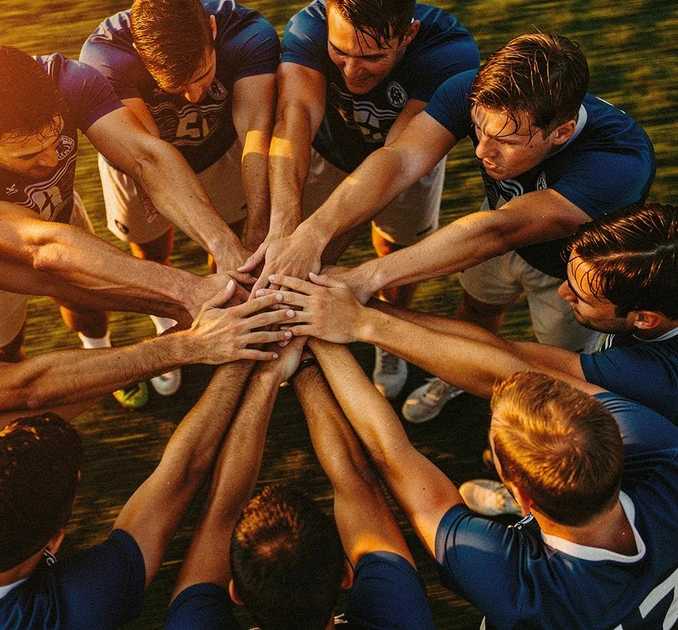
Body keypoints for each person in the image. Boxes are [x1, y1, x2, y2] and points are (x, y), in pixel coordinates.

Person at [248, 33, 655, 421]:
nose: (481, 151)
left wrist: (363, 278)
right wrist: (311, 234)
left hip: (572, 276)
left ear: (562, 132)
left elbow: (498, 231)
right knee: (477, 310)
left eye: (506, 141)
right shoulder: (478, 90)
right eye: (477, 129)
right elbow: (401, 159)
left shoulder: (618, 161)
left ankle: (528, 452)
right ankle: (454, 379)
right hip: (491, 232)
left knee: (548, 376)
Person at [0, 225, 291, 511]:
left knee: (6, 431)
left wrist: (185, 299)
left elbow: (44, 278)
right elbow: (29, 388)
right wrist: (189, 344)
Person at [0, 43, 250, 405]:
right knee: (3, 347)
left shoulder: (67, 79)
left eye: (55, 138)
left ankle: (99, 353)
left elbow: (146, 158)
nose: (51, 160)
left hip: (58, 219)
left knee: (88, 305)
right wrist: (190, 292)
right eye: (29, 154)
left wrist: (225, 246)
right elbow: (40, 248)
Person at [0, 354, 261, 628]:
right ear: (56, 539)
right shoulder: (75, 611)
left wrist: (177, 349)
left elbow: (6, 418)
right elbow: (183, 476)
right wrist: (240, 354)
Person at [304, 337, 678, 629]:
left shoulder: (517, 587)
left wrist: (318, 337)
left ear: (522, 495)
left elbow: (391, 457)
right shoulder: (665, 453)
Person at [270, 202, 678, 421]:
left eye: (583, 296)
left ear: (645, 319)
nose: (562, 292)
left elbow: (511, 370)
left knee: (568, 429)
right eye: (569, 277)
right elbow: (500, 347)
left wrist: (361, 321)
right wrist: (363, 302)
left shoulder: (653, 374)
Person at [262, 0, 478, 398]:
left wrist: (316, 239)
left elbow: (395, 163)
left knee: (395, 247)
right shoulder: (307, 27)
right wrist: (284, 225)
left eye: (372, 57)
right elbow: (295, 116)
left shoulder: (450, 53)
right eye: (339, 51)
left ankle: (385, 343)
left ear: (408, 34)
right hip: (326, 154)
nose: (350, 72)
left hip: (408, 166)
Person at [80, 0, 280, 396]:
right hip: (139, 155)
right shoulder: (104, 56)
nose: (192, 96)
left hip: (222, 151)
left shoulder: (249, 34)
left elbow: (256, 131)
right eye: (175, 84)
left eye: (202, 74)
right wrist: (214, 236)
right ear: (141, 51)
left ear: (211, 28)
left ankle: (229, 300)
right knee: (149, 248)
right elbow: (148, 155)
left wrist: (259, 223)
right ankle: (166, 322)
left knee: (240, 237)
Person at [165, 336, 433, 629]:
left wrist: (266, 375)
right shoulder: (404, 620)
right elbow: (357, 480)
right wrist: (304, 355)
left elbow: (221, 508)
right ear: (345, 574)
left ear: (236, 592)